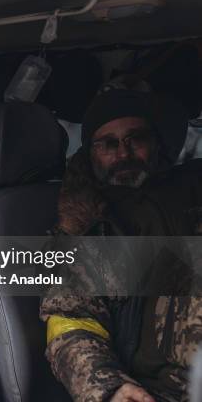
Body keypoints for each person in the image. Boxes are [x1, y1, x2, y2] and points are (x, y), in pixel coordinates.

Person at [40, 89, 202, 402]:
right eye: (109, 144)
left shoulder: (193, 187)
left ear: (156, 142)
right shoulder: (86, 232)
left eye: (135, 139)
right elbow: (72, 323)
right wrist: (109, 388)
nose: (123, 153)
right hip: (171, 386)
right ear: (91, 154)